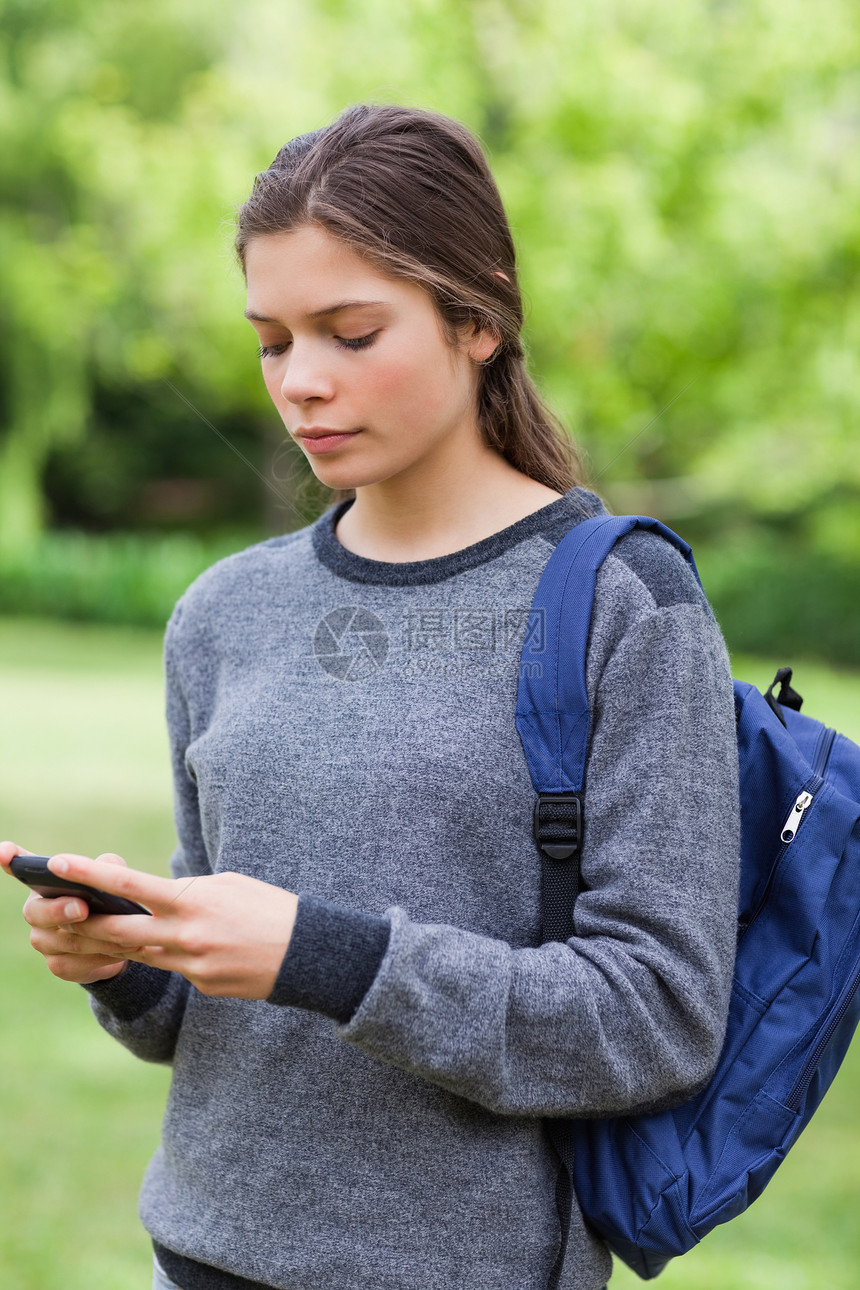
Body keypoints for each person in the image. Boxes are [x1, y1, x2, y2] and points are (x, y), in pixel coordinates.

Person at [0, 104, 740, 1290]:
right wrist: (133, 962)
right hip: (194, 1250)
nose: (300, 383)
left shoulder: (621, 604)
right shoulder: (223, 613)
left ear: (479, 317)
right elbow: (214, 1015)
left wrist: (327, 955)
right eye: (272, 340)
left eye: (349, 333)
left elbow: (654, 1017)